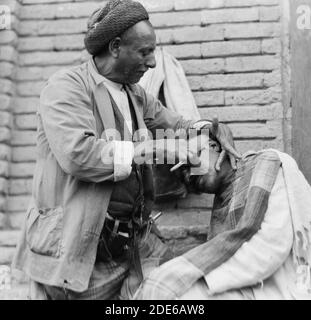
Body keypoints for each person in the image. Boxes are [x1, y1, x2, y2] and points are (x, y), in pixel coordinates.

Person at [11, 0, 240, 300]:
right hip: (81, 250)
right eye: (145, 52)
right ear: (116, 46)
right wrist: (159, 150)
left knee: (181, 293)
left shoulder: (136, 95)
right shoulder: (65, 88)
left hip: (133, 242)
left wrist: (210, 127)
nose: (153, 62)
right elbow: (79, 155)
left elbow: (177, 123)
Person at [134, 137, 311, 300]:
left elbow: (270, 248)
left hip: (283, 287)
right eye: (183, 177)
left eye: (188, 164)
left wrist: (196, 278)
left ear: (214, 147)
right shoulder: (221, 208)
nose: (188, 176)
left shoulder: (267, 164)